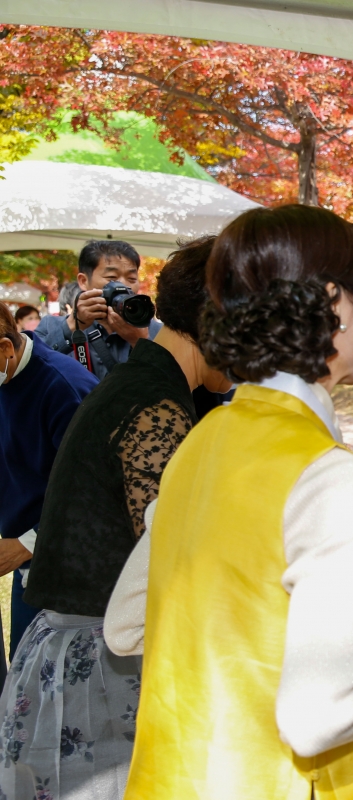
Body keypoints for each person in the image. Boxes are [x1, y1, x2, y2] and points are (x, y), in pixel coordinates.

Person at [107, 204, 353, 800]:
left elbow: (126, 626)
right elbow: (318, 718)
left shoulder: (200, 440)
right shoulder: (327, 473)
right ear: (335, 303)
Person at [2, 237, 232, 800]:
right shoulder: (155, 403)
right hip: (103, 666)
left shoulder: (150, 384)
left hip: (86, 653)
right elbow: (170, 567)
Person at [0, 303, 98, 681]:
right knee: (22, 686)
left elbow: (95, 492)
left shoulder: (65, 388)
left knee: (50, 688)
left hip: (67, 566)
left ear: (7, 349)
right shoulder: (9, 377)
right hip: (26, 557)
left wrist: (26, 544)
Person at [36, 240, 162, 379]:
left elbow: (173, 387)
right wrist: (72, 327)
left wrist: (141, 343)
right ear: (83, 281)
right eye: (111, 278)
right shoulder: (51, 326)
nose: (124, 286)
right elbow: (30, 372)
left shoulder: (159, 332)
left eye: (131, 279)